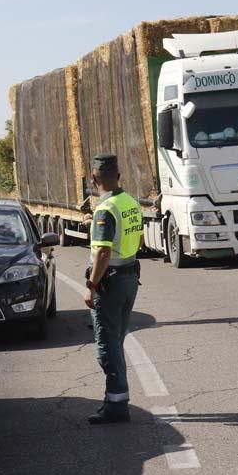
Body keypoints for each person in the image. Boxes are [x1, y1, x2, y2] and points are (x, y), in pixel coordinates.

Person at [83, 154, 143, 425]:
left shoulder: (104, 210)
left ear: (94, 178)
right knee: (117, 340)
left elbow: (103, 252)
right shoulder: (129, 202)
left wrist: (92, 286)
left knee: (107, 346)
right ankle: (115, 398)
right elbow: (133, 236)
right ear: (119, 176)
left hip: (112, 282)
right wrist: (93, 223)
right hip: (130, 277)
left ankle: (117, 405)